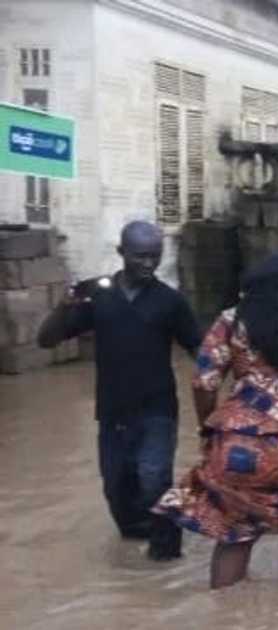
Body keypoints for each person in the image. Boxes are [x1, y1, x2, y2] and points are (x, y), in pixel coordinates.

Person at [152, 253, 278, 588]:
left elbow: (204, 382)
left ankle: (225, 616)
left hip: (238, 441)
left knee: (234, 535)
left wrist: (207, 428)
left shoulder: (231, 319)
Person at [37, 220, 201, 561]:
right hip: (112, 411)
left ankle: (166, 555)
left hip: (158, 410)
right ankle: (130, 552)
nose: (149, 263)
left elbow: (199, 351)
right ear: (121, 253)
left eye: (155, 256)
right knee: (117, 488)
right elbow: (46, 340)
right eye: (140, 256)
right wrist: (66, 305)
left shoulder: (170, 302)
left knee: (155, 480)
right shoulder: (98, 297)